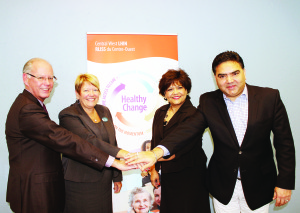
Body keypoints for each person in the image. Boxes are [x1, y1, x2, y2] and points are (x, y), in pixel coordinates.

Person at [126, 51, 295, 212]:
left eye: (235, 73)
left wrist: (285, 183)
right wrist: (156, 153)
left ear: (244, 72)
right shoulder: (208, 101)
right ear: (215, 78)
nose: (229, 80)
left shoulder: (269, 98)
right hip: (223, 186)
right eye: (222, 76)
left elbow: (284, 144)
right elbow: (187, 129)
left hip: (259, 184)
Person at [5, 58, 135, 213]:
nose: (47, 83)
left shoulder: (33, 104)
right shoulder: (28, 109)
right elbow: (68, 140)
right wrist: (116, 162)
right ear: (26, 78)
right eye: (41, 78)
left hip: (45, 186)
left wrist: (116, 172)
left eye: (50, 78)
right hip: (35, 190)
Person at [58, 74, 123, 213]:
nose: (91, 94)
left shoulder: (104, 111)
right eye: (86, 90)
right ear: (77, 94)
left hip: (103, 179)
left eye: (95, 90)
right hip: (80, 182)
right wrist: (125, 154)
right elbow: (90, 141)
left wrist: (116, 175)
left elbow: (112, 140)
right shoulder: (68, 115)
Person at [148, 69, 210, 212]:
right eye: (170, 89)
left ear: (187, 89)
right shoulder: (160, 112)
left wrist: (149, 159)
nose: (175, 92)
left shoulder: (194, 114)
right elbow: (155, 141)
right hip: (169, 174)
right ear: (164, 93)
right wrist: (154, 169)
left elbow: (179, 149)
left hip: (190, 173)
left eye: (180, 87)